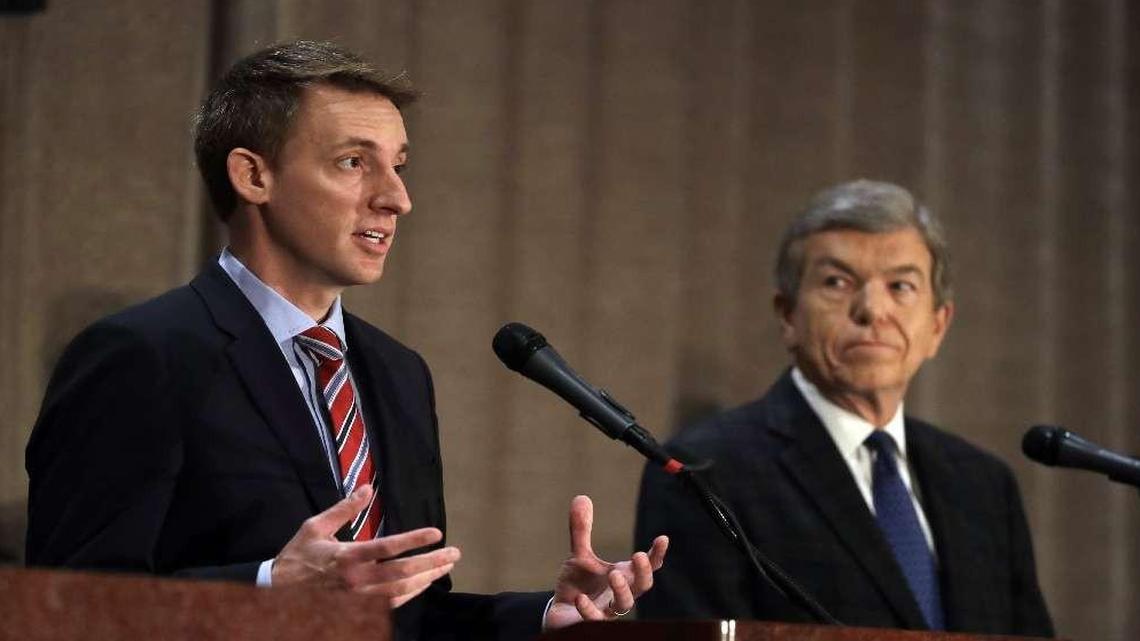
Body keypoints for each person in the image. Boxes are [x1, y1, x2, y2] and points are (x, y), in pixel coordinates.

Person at [25, 40, 667, 641]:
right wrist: (269, 586)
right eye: (354, 163)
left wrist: (546, 615)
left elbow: (407, 618)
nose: (397, 199)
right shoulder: (142, 357)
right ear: (254, 177)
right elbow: (68, 610)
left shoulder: (397, 373)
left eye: (399, 166)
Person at [634, 180, 1053, 636]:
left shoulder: (983, 485)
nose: (872, 310)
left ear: (938, 325)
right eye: (837, 282)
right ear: (788, 315)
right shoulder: (704, 472)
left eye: (901, 286)